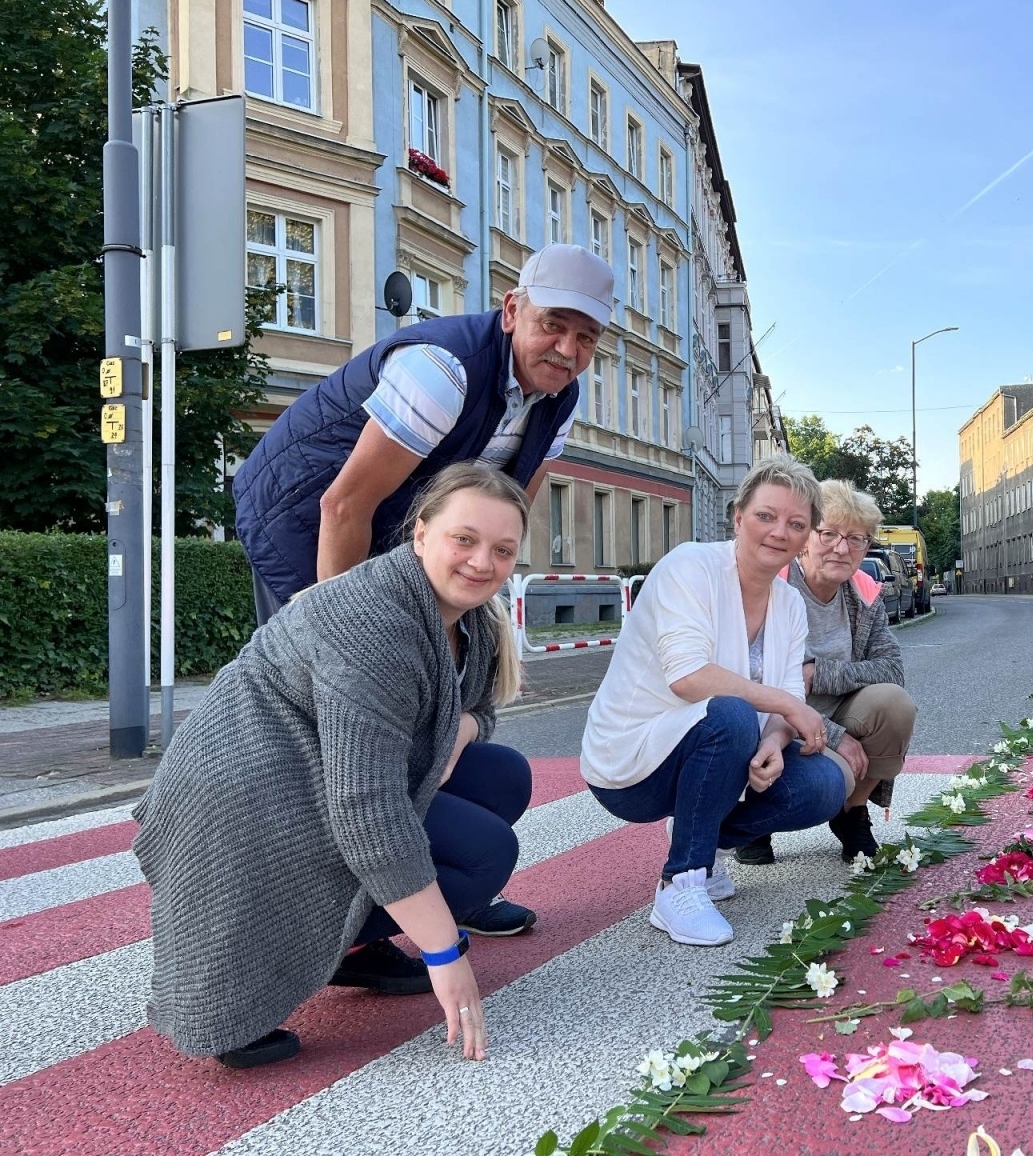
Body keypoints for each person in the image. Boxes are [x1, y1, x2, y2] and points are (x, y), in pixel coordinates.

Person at [230, 243, 611, 937]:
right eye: (553, 323)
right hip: (307, 517)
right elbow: (344, 507)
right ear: (511, 310)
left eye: (586, 337)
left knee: (432, 721)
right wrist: (340, 646)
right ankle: (311, 926)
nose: (566, 347)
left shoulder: (560, 398)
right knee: (331, 726)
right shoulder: (441, 370)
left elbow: (507, 511)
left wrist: (473, 602)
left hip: (408, 534)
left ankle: (422, 883)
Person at [134, 465, 535, 1068]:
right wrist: (445, 954)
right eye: (465, 539)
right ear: (420, 533)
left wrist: (462, 730)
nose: (483, 562)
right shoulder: (374, 624)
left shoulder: (466, 618)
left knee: (503, 775)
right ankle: (314, 944)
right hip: (246, 790)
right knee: (485, 854)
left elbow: (478, 706)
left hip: (318, 769)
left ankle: (351, 947)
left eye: (503, 550)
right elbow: (365, 810)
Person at [580, 455, 860, 946]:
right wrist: (785, 708)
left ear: (806, 536)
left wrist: (777, 735)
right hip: (633, 765)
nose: (779, 532)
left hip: (721, 753)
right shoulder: (692, 566)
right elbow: (689, 677)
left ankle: (700, 842)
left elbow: (788, 698)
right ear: (738, 517)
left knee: (824, 783)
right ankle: (680, 883)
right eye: (765, 516)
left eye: (796, 524)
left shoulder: (789, 602)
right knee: (730, 713)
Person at [734, 479, 916, 866]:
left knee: (895, 705)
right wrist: (836, 737)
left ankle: (851, 812)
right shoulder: (775, 585)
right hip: (773, 720)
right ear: (806, 535)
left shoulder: (864, 594)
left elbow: (892, 669)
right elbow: (758, 681)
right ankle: (751, 820)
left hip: (839, 712)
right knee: (826, 783)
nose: (842, 547)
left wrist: (819, 674)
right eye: (829, 533)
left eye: (856, 538)